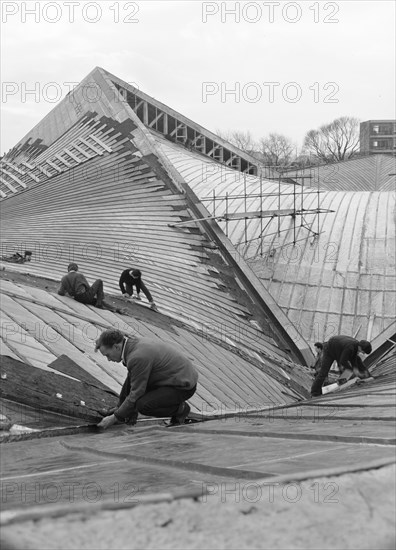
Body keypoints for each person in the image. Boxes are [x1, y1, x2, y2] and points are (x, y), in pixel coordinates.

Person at [95, 329, 198, 429]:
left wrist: (114, 418)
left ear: (116, 347)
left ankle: (181, 409)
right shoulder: (131, 345)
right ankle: (120, 409)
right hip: (169, 377)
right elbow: (132, 378)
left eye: (108, 355)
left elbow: (136, 393)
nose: (108, 359)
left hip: (182, 386)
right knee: (133, 378)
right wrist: (121, 411)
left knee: (143, 405)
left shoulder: (137, 357)